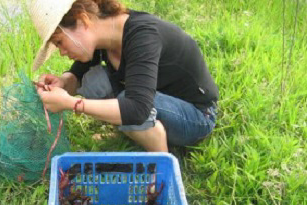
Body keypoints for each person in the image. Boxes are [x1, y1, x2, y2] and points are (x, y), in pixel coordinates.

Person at [29, 0, 219, 152]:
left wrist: (71, 103)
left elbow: (137, 109)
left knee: (128, 102)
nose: (62, 52)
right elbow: (79, 72)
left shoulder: (142, 36)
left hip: (196, 115)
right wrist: (63, 83)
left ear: (83, 19)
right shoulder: (106, 35)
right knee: (94, 81)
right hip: (154, 100)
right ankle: (133, 131)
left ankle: (160, 162)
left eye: (60, 42)